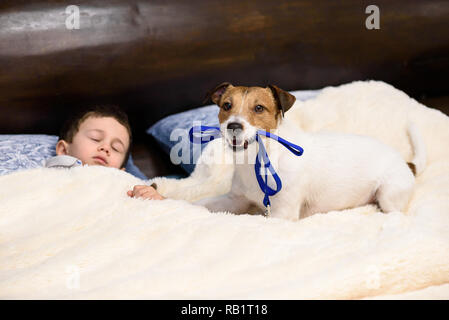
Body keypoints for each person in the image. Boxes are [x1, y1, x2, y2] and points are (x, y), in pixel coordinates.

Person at [45, 104, 165, 200]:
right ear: (63, 149)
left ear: (121, 170)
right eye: (95, 138)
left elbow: (172, 212)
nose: (106, 148)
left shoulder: (127, 185)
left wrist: (155, 199)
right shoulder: (53, 176)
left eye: (116, 148)